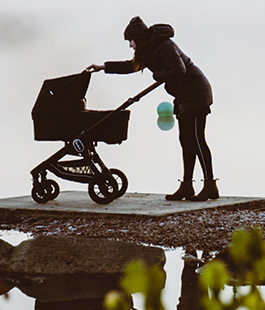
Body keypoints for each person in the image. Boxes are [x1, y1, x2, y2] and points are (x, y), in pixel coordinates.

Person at [87, 16, 217, 201]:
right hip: (184, 97)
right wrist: (104, 67)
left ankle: (210, 185)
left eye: (131, 41)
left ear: (138, 38)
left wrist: (158, 74)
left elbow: (180, 70)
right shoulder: (148, 51)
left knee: (196, 140)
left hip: (196, 93)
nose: (130, 46)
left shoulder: (164, 46)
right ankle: (187, 186)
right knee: (186, 141)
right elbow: (131, 66)